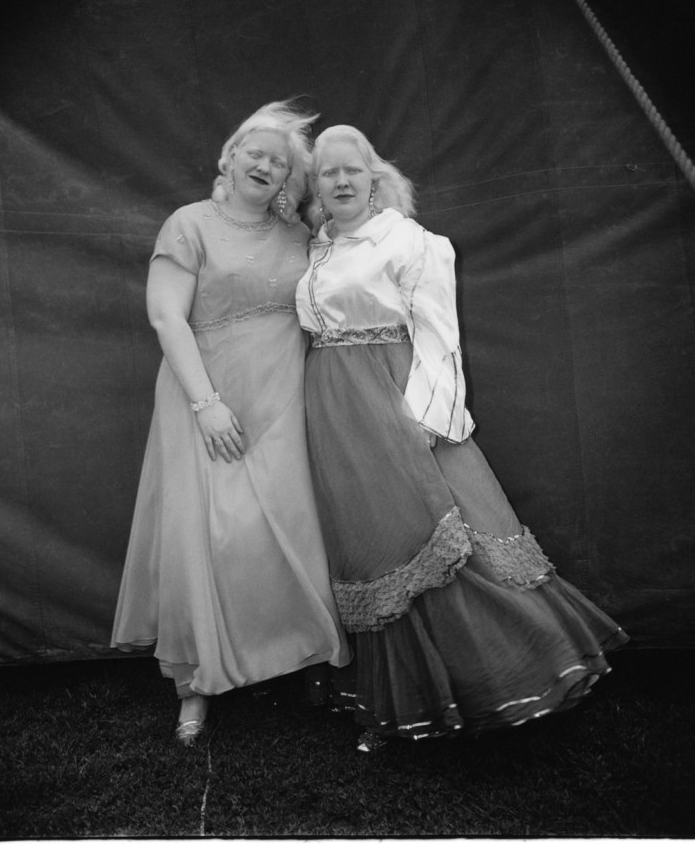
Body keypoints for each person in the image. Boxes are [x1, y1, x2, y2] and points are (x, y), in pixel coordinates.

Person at [295, 124, 629, 752]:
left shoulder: (411, 241)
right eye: (326, 172)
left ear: (375, 176)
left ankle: (502, 678)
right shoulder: (319, 247)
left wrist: (424, 422)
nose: (339, 180)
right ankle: (389, 698)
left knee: (432, 539)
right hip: (332, 410)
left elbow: (440, 337)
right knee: (369, 546)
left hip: (390, 399)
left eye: (352, 169)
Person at [111, 101, 349, 747]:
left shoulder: (299, 234)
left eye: (278, 162)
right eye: (257, 152)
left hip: (287, 396)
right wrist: (205, 403)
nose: (266, 165)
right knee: (205, 535)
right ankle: (197, 684)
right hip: (207, 395)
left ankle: (311, 659)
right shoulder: (189, 224)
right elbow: (167, 318)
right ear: (230, 156)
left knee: (292, 529)